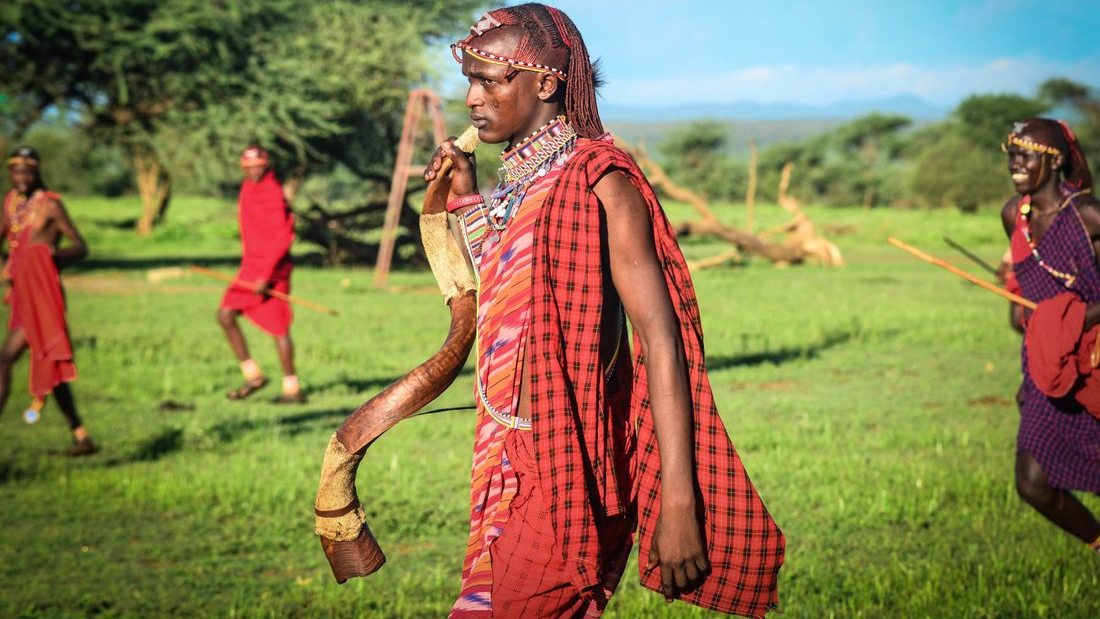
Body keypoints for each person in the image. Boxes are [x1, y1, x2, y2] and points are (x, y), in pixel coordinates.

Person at [424, 5, 784, 616]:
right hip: (509, 452)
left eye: (490, 81)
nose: (472, 99)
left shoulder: (600, 180)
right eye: (470, 80)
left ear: (545, 83)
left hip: (569, 459)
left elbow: (660, 340)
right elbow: (511, 288)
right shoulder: (524, 180)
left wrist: (678, 506)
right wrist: (466, 198)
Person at [1000, 118, 1100, 553]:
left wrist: (1066, 321)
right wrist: (1024, 314)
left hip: (1093, 360)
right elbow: (1022, 295)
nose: (1016, 164)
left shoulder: (1089, 217)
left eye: (1026, 156)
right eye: (1013, 156)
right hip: (1044, 364)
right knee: (1032, 483)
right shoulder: (1013, 216)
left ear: (1055, 161)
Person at [0, 147, 95, 456]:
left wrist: (51, 255)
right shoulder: (11, 204)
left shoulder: (50, 205)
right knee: (48, 363)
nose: (22, 177)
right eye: (16, 171)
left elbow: (81, 247)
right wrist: (9, 268)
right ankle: (81, 436)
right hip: (21, 295)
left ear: (37, 172)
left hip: (43, 296)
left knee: (4, 359)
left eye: (28, 171)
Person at [217, 146, 302, 403]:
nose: (253, 170)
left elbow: (283, 235)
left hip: (271, 269)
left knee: (278, 327)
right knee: (225, 315)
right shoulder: (247, 188)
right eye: (248, 166)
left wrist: (265, 275)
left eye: (257, 166)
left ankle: (292, 389)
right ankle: (254, 375)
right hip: (252, 265)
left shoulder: (272, 191)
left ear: (266, 165)